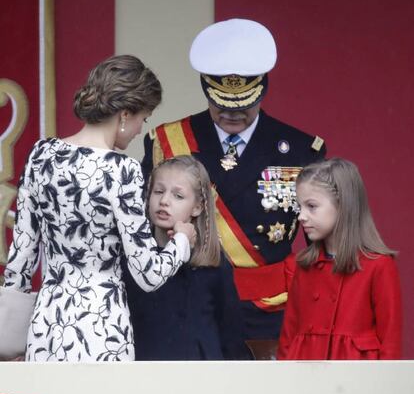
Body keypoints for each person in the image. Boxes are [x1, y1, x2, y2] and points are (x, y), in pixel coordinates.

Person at [141, 18, 327, 356]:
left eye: (243, 104)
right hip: (192, 300)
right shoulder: (167, 142)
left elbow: (323, 240)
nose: (232, 113)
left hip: (267, 309)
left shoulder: (301, 149)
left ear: (263, 89)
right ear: (205, 88)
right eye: (222, 103)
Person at [2, 55, 196, 362]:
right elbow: (148, 274)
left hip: (47, 327)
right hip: (104, 329)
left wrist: (9, 334)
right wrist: (182, 241)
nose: (137, 131)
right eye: (141, 120)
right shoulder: (124, 170)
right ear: (124, 114)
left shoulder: (41, 155)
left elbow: (21, 259)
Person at [124, 155, 249, 360]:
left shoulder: (213, 264)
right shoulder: (134, 258)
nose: (164, 201)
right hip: (143, 373)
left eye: (178, 196)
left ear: (198, 207)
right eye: (158, 191)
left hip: (200, 375)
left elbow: (230, 331)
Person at [277, 158, 402, 360]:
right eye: (300, 207)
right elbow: (288, 336)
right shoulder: (304, 265)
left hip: (357, 381)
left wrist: (385, 389)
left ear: (343, 205)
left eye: (311, 206)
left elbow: (391, 342)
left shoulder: (378, 265)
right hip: (305, 375)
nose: (301, 216)